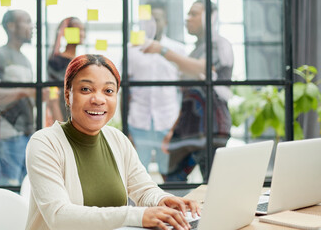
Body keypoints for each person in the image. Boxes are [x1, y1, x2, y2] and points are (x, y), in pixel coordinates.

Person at [25, 54, 200, 230]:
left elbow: (143, 189)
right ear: (68, 94)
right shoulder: (45, 143)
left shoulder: (117, 139)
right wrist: (136, 215)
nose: (98, 100)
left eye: (108, 91)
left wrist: (161, 200)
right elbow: (59, 216)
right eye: (86, 89)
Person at [143, 0, 234, 182]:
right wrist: (174, 128)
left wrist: (163, 51)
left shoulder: (218, 44)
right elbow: (187, 96)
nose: (187, 19)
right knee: (171, 173)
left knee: (212, 182)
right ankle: (185, 208)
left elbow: (203, 68)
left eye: (194, 14)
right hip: (190, 127)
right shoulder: (195, 50)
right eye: (188, 14)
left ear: (210, 18)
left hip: (211, 126)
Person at [0, 10, 44, 186]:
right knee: (8, 190)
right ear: (11, 26)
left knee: (24, 190)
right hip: (8, 136)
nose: (32, 27)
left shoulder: (25, 60)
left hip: (27, 135)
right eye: (27, 21)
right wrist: (25, 91)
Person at [128, 1, 185, 178]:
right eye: (149, 19)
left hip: (168, 122)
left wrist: (178, 126)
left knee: (172, 177)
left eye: (158, 19)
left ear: (165, 22)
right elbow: (124, 91)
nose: (153, 23)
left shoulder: (178, 50)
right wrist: (126, 129)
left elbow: (184, 92)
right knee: (136, 177)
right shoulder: (131, 50)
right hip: (138, 122)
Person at [46, 17, 85, 124]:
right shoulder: (57, 62)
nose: (82, 34)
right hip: (65, 120)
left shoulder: (81, 61)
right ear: (66, 33)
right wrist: (61, 128)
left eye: (83, 30)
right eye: (77, 30)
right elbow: (53, 97)